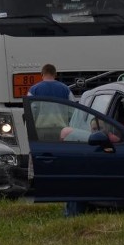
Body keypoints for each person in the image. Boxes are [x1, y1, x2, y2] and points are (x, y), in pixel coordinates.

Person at [27, 64, 81, 217]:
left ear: (42, 74)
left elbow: (30, 111)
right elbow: (73, 110)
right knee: (62, 160)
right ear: (55, 74)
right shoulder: (65, 89)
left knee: (43, 160)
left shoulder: (34, 89)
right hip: (61, 130)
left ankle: (42, 186)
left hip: (40, 130)